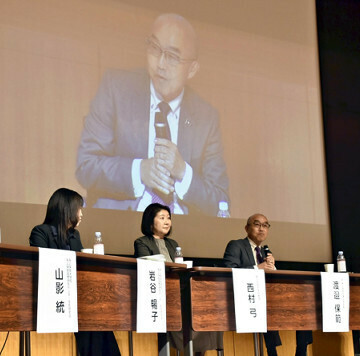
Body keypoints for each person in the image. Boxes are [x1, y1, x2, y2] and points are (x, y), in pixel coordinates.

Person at [76, 13, 229, 216]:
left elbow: (220, 202)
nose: (161, 64)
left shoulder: (206, 118)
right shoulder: (116, 89)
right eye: (155, 49)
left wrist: (184, 173)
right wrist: (139, 172)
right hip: (124, 228)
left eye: (173, 56)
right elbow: (87, 166)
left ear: (192, 69)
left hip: (180, 235)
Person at [29, 188, 121, 356]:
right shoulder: (40, 231)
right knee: (92, 316)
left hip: (78, 295)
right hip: (52, 294)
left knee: (99, 317)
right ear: (67, 209)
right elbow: (44, 263)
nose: (81, 214)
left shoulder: (74, 234)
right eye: (79, 209)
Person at [134, 203, 223, 356]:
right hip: (162, 291)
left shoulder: (172, 243)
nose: (167, 222)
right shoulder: (142, 242)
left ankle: (199, 348)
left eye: (168, 218)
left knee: (206, 306)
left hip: (180, 287)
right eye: (162, 218)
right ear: (150, 221)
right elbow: (147, 266)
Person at [223, 213, 313, 356]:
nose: (261, 229)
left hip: (269, 296)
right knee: (266, 306)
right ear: (247, 228)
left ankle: (301, 350)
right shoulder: (236, 245)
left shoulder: (265, 251)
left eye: (265, 225)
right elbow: (228, 271)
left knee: (302, 304)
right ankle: (272, 352)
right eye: (257, 224)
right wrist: (258, 269)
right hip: (247, 298)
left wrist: (273, 268)